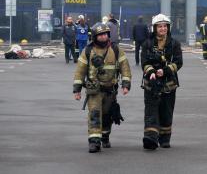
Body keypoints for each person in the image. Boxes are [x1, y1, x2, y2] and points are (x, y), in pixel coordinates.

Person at [73, 23, 132, 153]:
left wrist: (126, 84)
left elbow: (125, 68)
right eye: (100, 34)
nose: (103, 36)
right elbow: (80, 71)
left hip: (110, 90)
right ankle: (94, 142)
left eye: (105, 34)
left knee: (107, 116)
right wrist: (77, 89)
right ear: (95, 36)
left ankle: (105, 136)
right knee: (94, 114)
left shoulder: (116, 50)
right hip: (94, 91)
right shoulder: (87, 51)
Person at [141, 14, 183, 150]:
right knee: (151, 111)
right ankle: (150, 138)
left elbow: (178, 62)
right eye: (160, 26)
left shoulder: (174, 43)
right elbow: (144, 62)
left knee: (166, 111)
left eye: (165, 26)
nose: (163, 29)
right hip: (151, 84)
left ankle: (165, 139)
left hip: (169, 84)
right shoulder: (147, 43)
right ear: (154, 28)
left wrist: (165, 71)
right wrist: (152, 72)